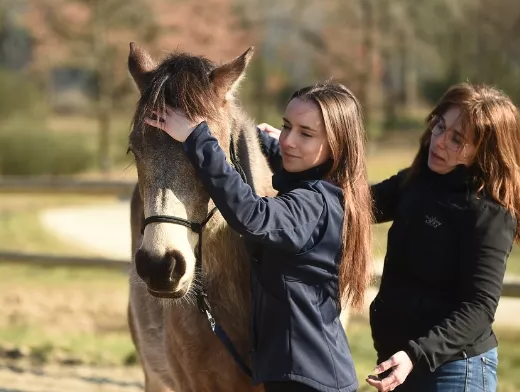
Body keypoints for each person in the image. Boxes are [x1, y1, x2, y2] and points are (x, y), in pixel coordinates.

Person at [144, 82, 373, 392]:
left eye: (305, 133)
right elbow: (290, 167)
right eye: (286, 127)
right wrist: (260, 141)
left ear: (337, 145)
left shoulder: (315, 203)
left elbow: (253, 216)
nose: (289, 140)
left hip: (309, 381)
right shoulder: (318, 190)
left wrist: (198, 138)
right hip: (300, 375)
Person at [364, 83, 520, 392]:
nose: (438, 141)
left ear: (485, 152)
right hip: (398, 364)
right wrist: (283, 152)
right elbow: (351, 208)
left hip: (453, 371)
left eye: (457, 139)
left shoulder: (488, 212)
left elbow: (480, 307)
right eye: (439, 126)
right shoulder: (417, 181)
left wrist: (417, 354)